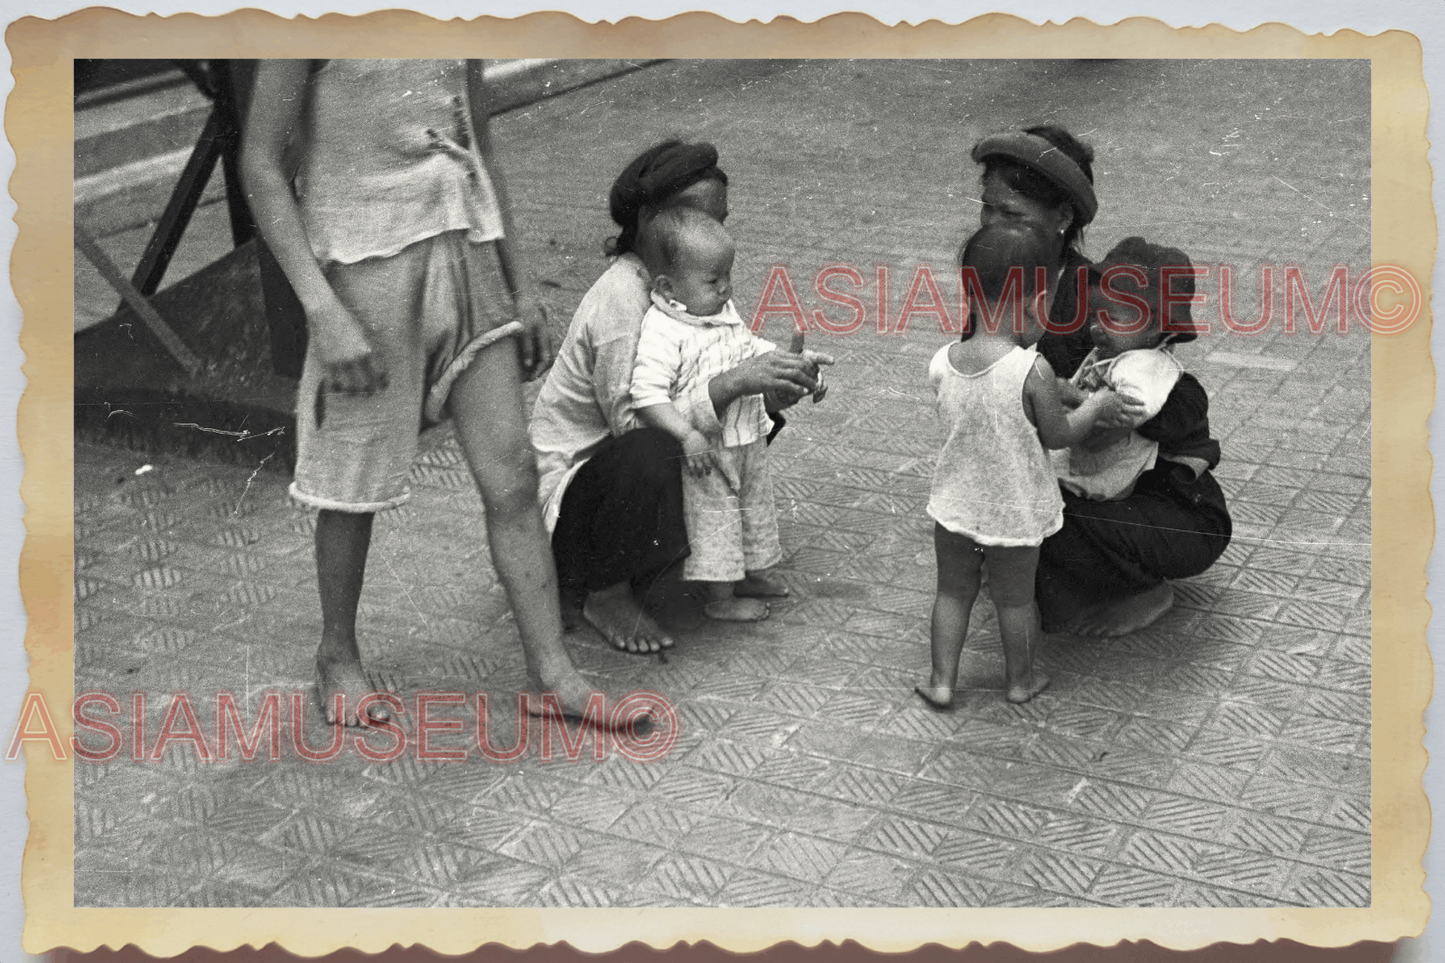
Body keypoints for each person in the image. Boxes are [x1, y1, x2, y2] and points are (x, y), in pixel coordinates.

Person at [241, 59, 597, 726]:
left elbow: (480, 147)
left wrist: (521, 286)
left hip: (468, 251)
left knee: (513, 474)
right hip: (364, 270)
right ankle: (336, 655)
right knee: (352, 484)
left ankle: (551, 672)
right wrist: (321, 309)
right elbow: (260, 164)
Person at [529, 140, 827, 653]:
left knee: (737, 420)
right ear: (647, 219)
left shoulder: (691, 284)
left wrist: (776, 390)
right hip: (568, 507)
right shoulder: (623, 299)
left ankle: (699, 558)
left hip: (621, 486)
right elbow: (638, 432)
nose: (714, 233)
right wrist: (735, 382)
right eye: (696, 217)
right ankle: (605, 591)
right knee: (657, 446)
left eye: (722, 220)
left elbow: (718, 391)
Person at [970, 124, 1232, 637]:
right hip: (1070, 474)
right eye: (987, 208)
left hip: (1159, 509)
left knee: (1038, 525)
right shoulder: (998, 284)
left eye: (1011, 213)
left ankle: (1144, 591)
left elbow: (1175, 406)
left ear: (1063, 218)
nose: (991, 224)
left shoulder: (1106, 303)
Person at [916, 224, 1122, 709]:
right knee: (1014, 600)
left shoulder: (942, 361)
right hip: (1014, 510)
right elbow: (1058, 434)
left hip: (956, 505)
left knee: (951, 594)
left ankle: (941, 680)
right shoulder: (1035, 370)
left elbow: (986, 403)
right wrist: (1093, 405)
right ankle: (1020, 682)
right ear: (1035, 301)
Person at [1036, 239, 1233, 635]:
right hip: (1137, 504)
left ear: (1159, 326)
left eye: (1115, 317)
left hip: (1187, 519)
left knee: (1058, 521)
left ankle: (1145, 592)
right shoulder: (1109, 359)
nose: (1097, 326)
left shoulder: (1149, 368)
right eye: (1095, 315)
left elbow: (1112, 423)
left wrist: (1070, 395)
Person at [631, 209, 798, 622]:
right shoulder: (663, 330)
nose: (725, 290)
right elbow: (646, 395)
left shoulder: (720, 311)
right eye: (712, 281)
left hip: (747, 436)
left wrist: (787, 364)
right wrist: (686, 435)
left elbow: (746, 348)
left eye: (728, 277)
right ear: (668, 287)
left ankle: (752, 573)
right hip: (708, 448)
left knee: (755, 508)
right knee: (717, 522)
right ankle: (720, 598)